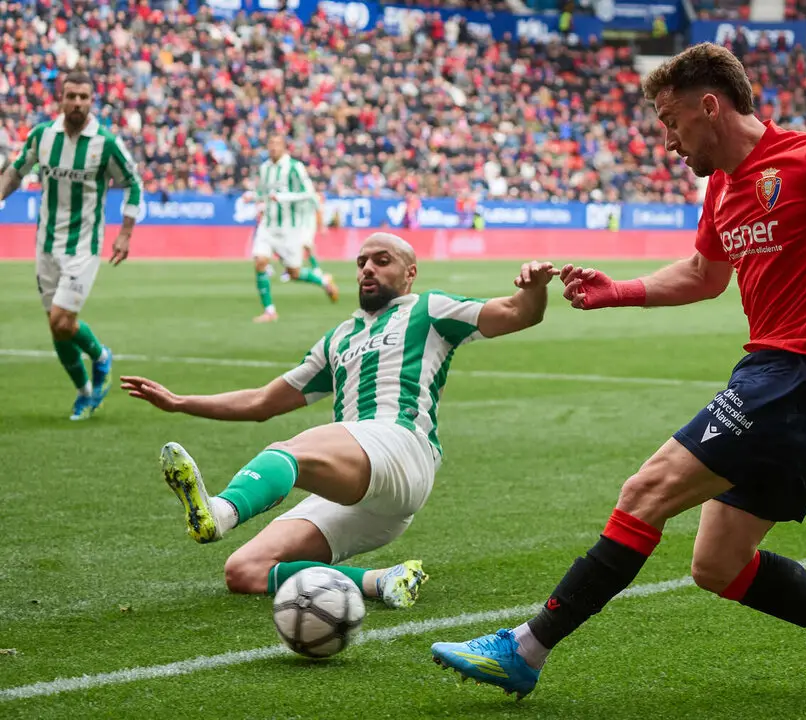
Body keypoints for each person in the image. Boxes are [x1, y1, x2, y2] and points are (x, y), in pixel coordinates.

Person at [430, 43, 806, 701]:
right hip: (781, 379)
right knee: (718, 564)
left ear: (709, 106)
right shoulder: (721, 187)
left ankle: (525, 650)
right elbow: (703, 275)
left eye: (670, 121)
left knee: (646, 491)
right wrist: (616, 291)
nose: (667, 140)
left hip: (799, 376)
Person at [120, 233, 558, 608]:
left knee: (289, 452)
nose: (368, 268)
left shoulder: (429, 309)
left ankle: (220, 513)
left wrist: (535, 288)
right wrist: (180, 403)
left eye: (382, 261)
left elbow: (519, 312)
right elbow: (262, 401)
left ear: (410, 273)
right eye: (362, 261)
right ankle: (382, 580)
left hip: (401, 448)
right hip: (363, 491)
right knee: (245, 570)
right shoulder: (338, 339)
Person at [0, 70, 142, 420]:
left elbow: (133, 183)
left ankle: (100, 356)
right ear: (60, 99)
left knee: (63, 320)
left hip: (83, 245)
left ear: (92, 101)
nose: (77, 103)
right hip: (46, 243)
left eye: (83, 97)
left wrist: (125, 232)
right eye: (71, 96)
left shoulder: (105, 143)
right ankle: (84, 392)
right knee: (55, 326)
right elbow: (16, 172)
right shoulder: (42, 136)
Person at [248, 134, 339, 322]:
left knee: (294, 272)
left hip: (289, 229)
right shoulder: (265, 168)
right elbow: (263, 193)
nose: (273, 147)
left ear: (284, 147)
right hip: (268, 225)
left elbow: (309, 193)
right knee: (260, 262)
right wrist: (252, 196)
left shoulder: (294, 167)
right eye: (271, 144)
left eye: (277, 144)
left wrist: (284, 197)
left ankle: (323, 281)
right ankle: (270, 311)